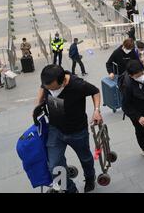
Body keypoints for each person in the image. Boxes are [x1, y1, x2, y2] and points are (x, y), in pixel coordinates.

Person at [33, 64, 102, 193]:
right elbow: (43, 88)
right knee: (54, 165)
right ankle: (70, 189)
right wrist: (38, 104)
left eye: (54, 89)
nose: (51, 91)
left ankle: (89, 178)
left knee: (85, 159)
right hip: (55, 129)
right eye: (49, 89)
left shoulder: (78, 85)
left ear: (63, 81)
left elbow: (95, 91)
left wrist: (96, 110)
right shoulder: (49, 80)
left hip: (77, 131)